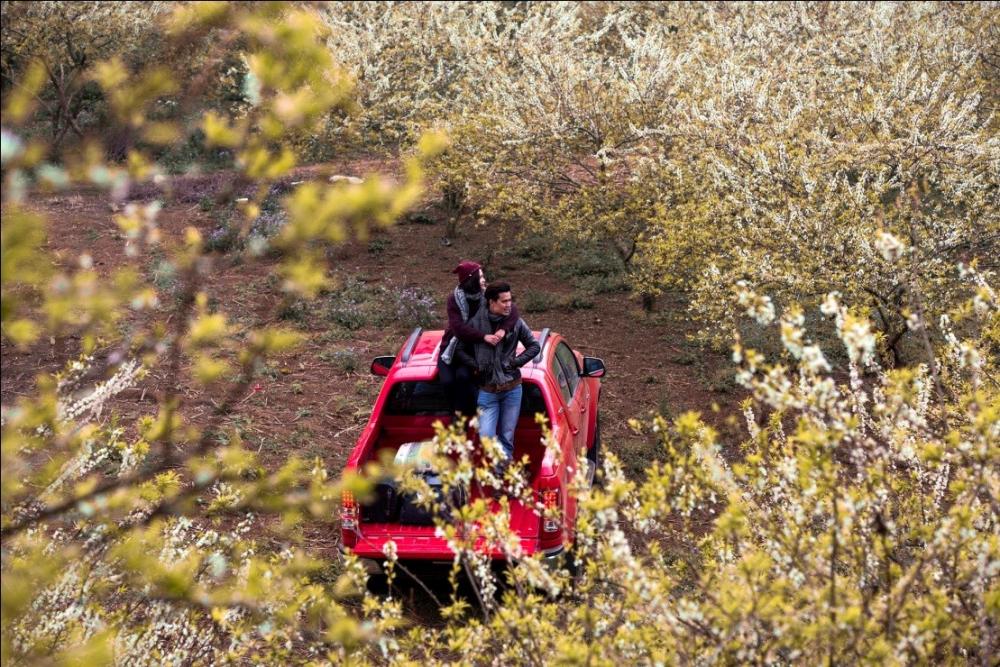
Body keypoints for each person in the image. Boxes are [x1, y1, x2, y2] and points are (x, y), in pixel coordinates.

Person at [455, 282, 539, 476]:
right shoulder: (475, 323)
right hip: (487, 391)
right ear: (492, 302)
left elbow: (534, 346)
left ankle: (499, 476)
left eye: (510, 300)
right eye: (504, 301)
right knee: (486, 437)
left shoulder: (515, 321)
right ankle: (508, 469)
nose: (509, 305)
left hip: (512, 388)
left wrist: (516, 362)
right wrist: (475, 365)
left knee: (507, 436)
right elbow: (459, 349)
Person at [438, 261, 519, 418]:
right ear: (471, 279)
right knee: (447, 382)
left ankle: (462, 415)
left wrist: (504, 329)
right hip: (451, 347)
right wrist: (483, 336)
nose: (483, 279)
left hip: (472, 350)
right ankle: (453, 411)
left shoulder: (487, 294)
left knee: (464, 377)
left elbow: (513, 310)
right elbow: (458, 329)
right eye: (480, 276)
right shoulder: (454, 299)